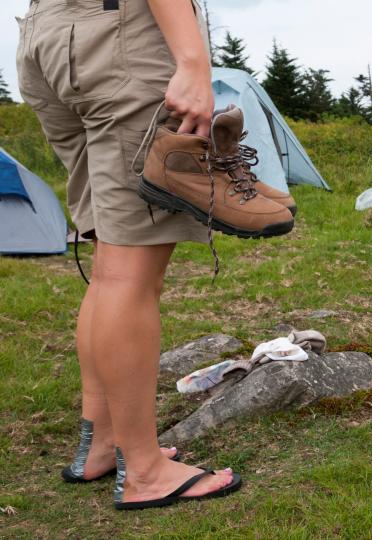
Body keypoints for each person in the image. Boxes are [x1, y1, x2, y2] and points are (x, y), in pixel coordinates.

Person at [15, 0, 242, 509]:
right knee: (129, 276)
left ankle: (101, 445)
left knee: (110, 270)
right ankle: (144, 471)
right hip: (119, 39)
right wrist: (192, 61)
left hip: (46, 36)